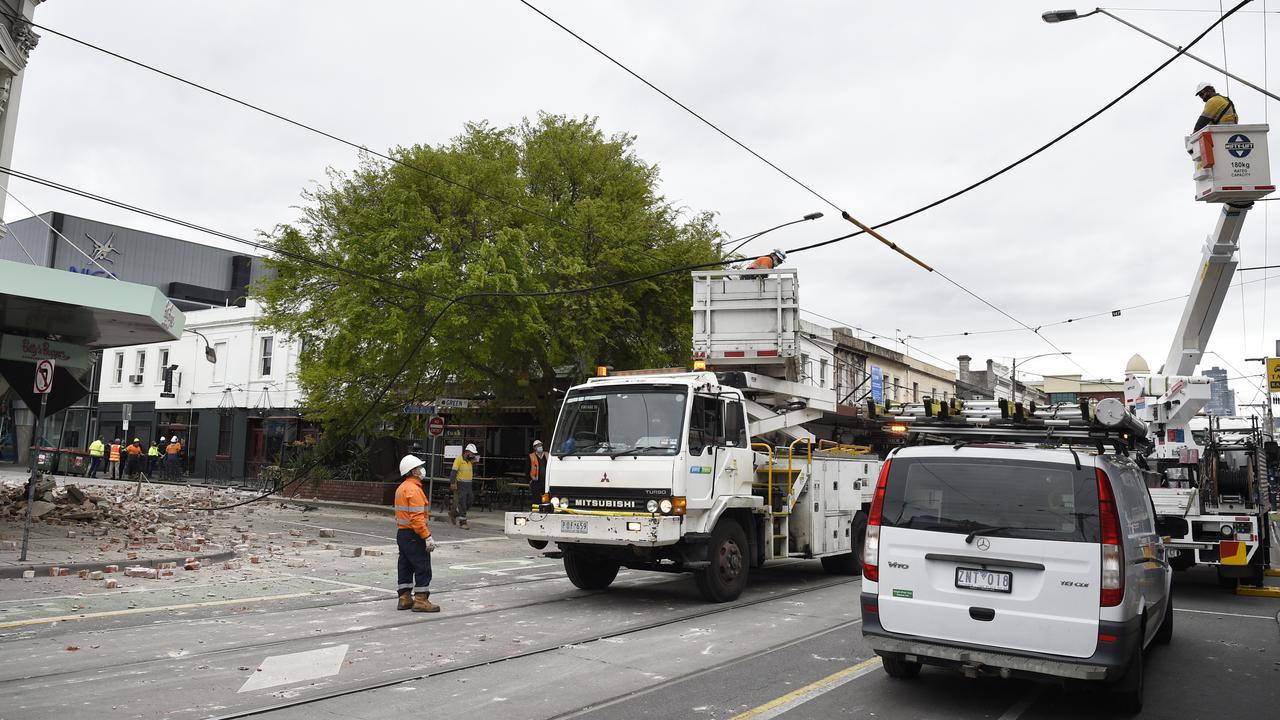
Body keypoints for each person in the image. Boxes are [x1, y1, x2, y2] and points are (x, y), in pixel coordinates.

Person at [395, 454, 439, 612]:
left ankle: (405, 598)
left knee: (405, 565)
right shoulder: (414, 490)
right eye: (419, 468)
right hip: (414, 534)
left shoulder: (402, 488)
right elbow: (417, 518)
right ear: (413, 472)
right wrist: (427, 536)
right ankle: (420, 600)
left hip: (403, 533)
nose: (422, 470)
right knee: (422, 566)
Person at [449, 443, 478, 530]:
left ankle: (454, 513)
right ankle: (463, 522)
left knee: (470, 501)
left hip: (469, 485)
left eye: (474, 454)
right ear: (466, 452)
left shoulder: (470, 461)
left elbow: (475, 471)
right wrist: (453, 483)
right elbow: (453, 472)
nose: (473, 455)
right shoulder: (459, 459)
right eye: (472, 453)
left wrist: (474, 462)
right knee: (463, 503)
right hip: (461, 484)